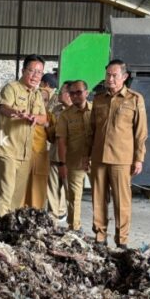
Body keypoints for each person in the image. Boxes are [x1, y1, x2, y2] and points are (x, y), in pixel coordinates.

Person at [87, 59, 148, 249]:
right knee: (98, 198)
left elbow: (141, 132)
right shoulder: (98, 99)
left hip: (122, 159)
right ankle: (100, 236)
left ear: (124, 77)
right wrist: (85, 155)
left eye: (114, 75)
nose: (110, 79)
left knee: (122, 201)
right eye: (108, 75)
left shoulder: (135, 99)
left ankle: (121, 240)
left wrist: (139, 158)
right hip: (98, 157)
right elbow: (91, 130)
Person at [0, 54, 47, 217]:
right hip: (7, 148)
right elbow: (3, 107)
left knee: (17, 194)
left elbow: (44, 119)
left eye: (39, 72)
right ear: (23, 71)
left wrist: (36, 118)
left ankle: (9, 225)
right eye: (32, 71)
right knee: (7, 189)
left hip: (25, 152)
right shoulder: (11, 88)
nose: (35, 75)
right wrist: (17, 113)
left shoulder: (37, 95)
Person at [56, 80, 93, 231]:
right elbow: (61, 141)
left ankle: (99, 230)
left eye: (79, 92)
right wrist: (62, 164)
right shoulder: (65, 116)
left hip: (94, 160)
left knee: (99, 197)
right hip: (74, 160)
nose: (75, 96)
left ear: (87, 93)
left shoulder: (97, 110)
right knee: (73, 197)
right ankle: (74, 227)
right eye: (72, 93)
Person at [22, 73, 58, 209]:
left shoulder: (49, 117)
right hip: (24, 153)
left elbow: (53, 136)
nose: (42, 103)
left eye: (45, 100)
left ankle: (35, 211)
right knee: (22, 185)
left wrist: (48, 125)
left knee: (38, 186)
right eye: (39, 100)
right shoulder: (25, 114)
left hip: (40, 155)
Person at [47, 81, 72, 221]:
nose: (58, 94)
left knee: (70, 192)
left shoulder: (80, 111)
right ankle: (53, 218)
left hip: (71, 158)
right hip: (55, 154)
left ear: (68, 94)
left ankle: (73, 222)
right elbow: (52, 134)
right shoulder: (56, 109)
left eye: (61, 92)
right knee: (52, 190)